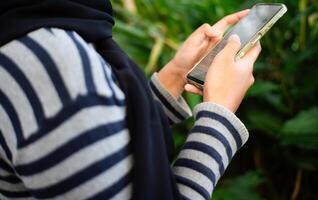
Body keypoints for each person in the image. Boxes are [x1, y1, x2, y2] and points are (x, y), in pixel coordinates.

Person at [0, 1, 261, 200]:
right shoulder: (53, 68)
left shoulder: (27, 29)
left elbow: (96, 143)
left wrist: (175, 78)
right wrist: (218, 117)